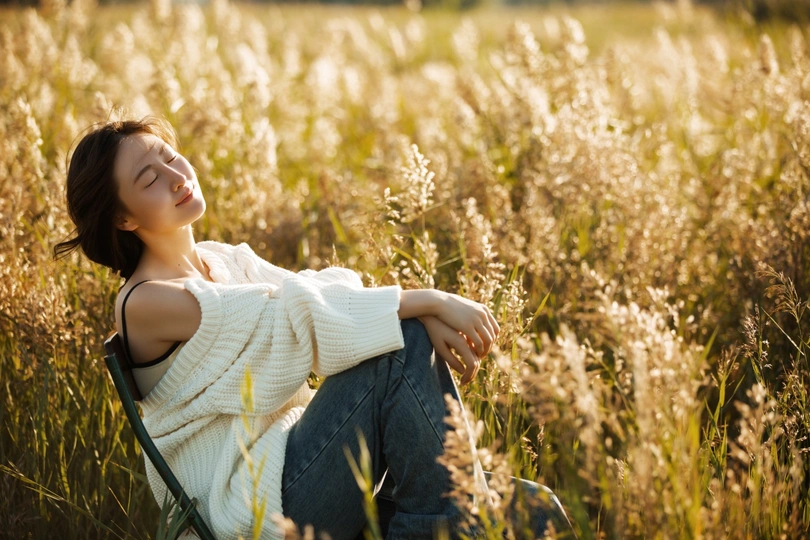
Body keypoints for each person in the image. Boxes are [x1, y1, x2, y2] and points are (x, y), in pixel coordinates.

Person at [55, 117, 572, 539]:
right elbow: (299, 316)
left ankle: (449, 524)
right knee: (400, 344)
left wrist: (407, 311)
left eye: (169, 156)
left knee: (536, 509)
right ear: (123, 219)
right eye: (149, 179)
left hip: (304, 464)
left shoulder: (223, 261)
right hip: (257, 506)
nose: (175, 175)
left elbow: (321, 293)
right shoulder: (145, 302)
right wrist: (430, 302)